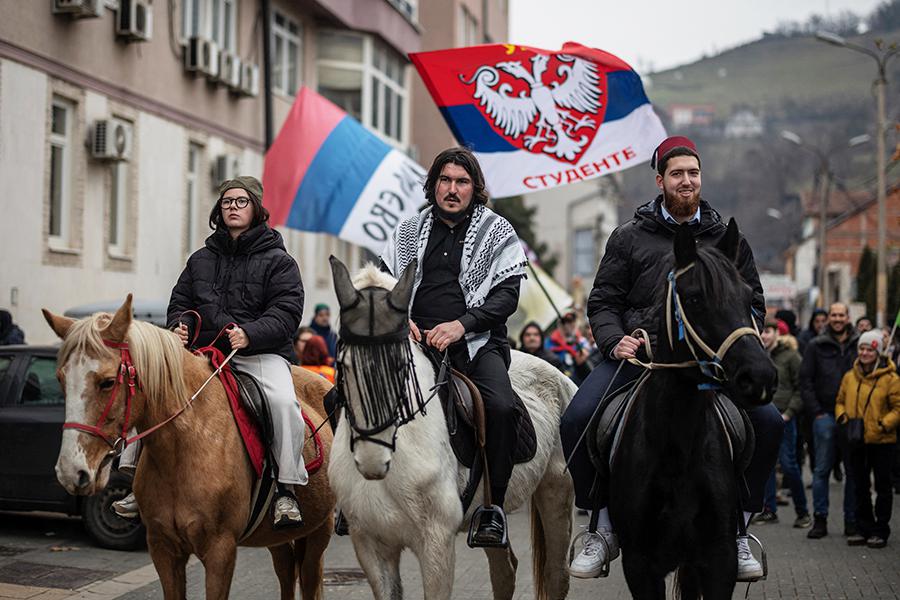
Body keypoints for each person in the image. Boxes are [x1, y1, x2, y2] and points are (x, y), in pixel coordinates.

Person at [561, 135, 782, 582]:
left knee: (770, 422)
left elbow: (752, 301)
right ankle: (601, 527)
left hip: (709, 362)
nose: (687, 181)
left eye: (693, 173)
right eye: (677, 174)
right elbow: (603, 301)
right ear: (660, 180)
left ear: (701, 178)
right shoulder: (628, 237)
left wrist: (739, 339)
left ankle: (738, 529)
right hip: (639, 359)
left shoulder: (725, 238)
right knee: (577, 418)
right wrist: (615, 340)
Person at [114, 176, 308, 529]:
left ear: (257, 209)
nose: (232, 207)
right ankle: (133, 480)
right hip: (202, 354)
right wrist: (179, 324)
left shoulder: (280, 261)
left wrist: (250, 334)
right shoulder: (200, 259)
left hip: (258, 354)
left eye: (241, 201)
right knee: (151, 390)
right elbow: (181, 301)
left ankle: (286, 490)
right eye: (227, 202)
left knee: (283, 405)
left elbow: (287, 311)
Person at [380, 147, 528, 547]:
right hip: (410, 339)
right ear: (433, 185)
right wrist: (401, 319)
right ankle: (355, 498)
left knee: (500, 406)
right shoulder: (409, 230)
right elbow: (381, 282)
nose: (452, 188)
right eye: (444, 180)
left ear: (473, 188)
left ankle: (492, 508)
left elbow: (506, 297)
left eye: (461, 182)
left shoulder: (498, 231)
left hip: (476, 343)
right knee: (350, 393)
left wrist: (461, 325)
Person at [835, 330, 900, 548]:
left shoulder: (891, 379)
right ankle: (864, 528)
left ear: (878, 352)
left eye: (869, 349)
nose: (864, 353)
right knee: (859, 486)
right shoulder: (849, 377)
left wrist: (884, 424)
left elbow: (898, 408)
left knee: (882, 486)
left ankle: (880, 530)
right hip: (856, 440)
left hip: (882, 441)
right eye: (861, 349)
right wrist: (842, 416)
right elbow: (840, 400)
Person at [800, 302, 859, 539]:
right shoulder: (816, 345)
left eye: (840, 315)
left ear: (847, 317)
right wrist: (816, 411)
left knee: (853, 471)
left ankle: (851, 521)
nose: (836, 319)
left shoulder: (858, 344)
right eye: (833, 315)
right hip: (824, 415)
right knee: (821, 470)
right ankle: (820, 520)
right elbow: (805, 381)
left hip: (851, 417)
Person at [755, 320, 810, 528]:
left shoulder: (790, 356)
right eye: (761, 332)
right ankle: (769, 510)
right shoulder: (757, 354)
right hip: (763, 418)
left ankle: (803, 512)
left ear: (777, 333)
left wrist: (789, 413)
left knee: (789, 465)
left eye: (768, 332)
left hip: (784, 418)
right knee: (766, 467)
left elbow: (801, 387)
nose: (764, 336)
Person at [548, 310, 592, 384]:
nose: (569, 324)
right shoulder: (551, 344)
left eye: (572, 320)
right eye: (566, 321)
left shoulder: (581, 341)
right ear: (559, 324)